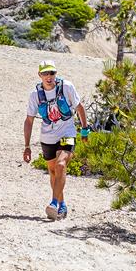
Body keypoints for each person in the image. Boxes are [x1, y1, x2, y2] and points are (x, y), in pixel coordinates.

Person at [23, 59, 89, 221]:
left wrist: (85, 130)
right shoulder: (35, 95)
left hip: (67, 133)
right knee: (53, 172)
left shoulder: (66, 87)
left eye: (51, 72)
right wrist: (27, 145)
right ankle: (62, 204)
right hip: (47, 137)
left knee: (61, 165)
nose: (49, 76)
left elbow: (79, 107)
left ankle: (53, 203)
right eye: (45, 73)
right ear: (39, 75)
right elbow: (29, 120)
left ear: (55, 74)